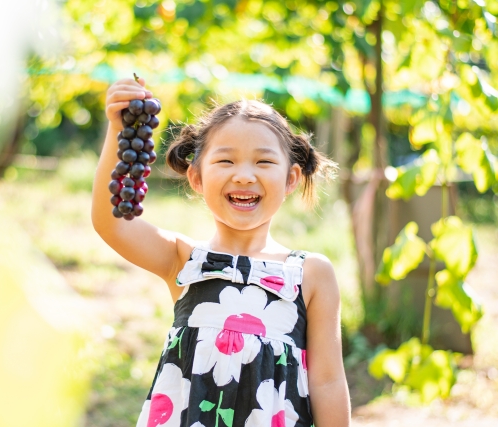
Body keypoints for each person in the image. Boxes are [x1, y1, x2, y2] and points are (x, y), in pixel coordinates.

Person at [92, 77, 351, 427]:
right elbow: (112, 222)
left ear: (291, 179)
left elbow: (328, 381)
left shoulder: (311, 274)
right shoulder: (183, 260)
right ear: (196, 178)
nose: (244, 176)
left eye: (263, 162)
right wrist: (119, 130)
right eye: (226, 161)